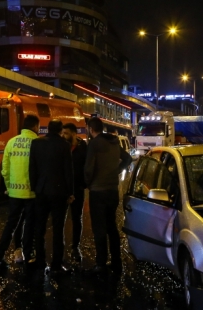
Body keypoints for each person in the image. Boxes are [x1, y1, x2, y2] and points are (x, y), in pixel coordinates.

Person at [84, 117, 132, 276]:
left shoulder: (94, 144)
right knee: (111, 226)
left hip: (98, 191)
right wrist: (116, 171)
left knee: (99, 228)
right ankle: (116, 260)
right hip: (112, 190)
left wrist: (87, 183)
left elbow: (89, 168)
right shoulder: (114, 142)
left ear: (91, 130)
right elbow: (128, 158)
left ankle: (101, 263)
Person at [0, 115, 40, 267]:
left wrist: (8, 187)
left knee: (11, 224)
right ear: (35, 127)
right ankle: (28, 255)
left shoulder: (11, 142)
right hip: (31, 193)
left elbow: (4, 169)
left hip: (14, 193)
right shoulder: (37, 143)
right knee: (30, 224)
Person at [29, 119, 75, 276]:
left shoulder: (36, 143)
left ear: (47, 129)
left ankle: (40, 260)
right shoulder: (64, 145)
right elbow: (68, 171)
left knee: (39, 227)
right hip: (59, 192)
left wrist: (35, 187)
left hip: (41, 190)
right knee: (58, 228)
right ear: (61, 130)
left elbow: (32, 168)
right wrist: (70, 192)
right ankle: (56, 263)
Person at [62, 122, 87, 263]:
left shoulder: (83, 147)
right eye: (62, 133)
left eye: (66, 133)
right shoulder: (61, 146)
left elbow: (87, 166)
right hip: (64, 190)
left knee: (77, 218)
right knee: (61, 219)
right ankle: (61, 247)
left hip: (77, 188)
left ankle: (75, 246)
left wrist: (84, 183)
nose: (63, 135)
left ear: (73, 133)